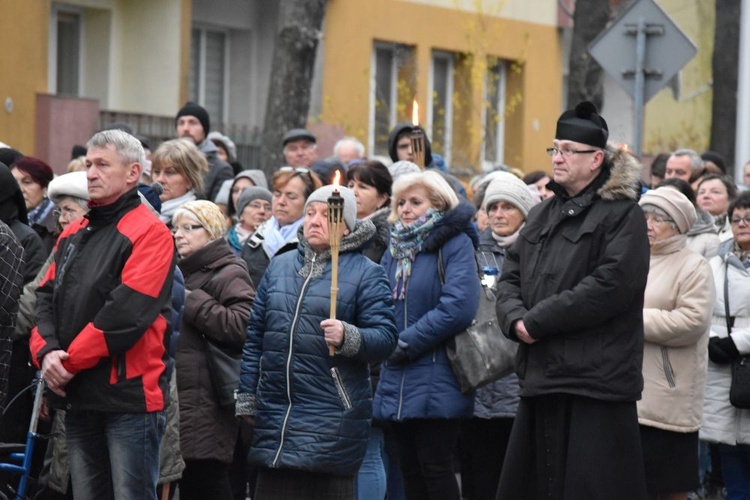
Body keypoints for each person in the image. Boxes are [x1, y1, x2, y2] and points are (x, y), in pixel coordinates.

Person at [495, 101, 650, 499]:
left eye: (567, 150)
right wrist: (515, 320)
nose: (557, 158)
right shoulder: (542, 213)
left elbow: (611, 285)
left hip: (593, 381)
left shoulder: (622, 214)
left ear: (597, 158)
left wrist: (538, 321)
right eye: (554, 148)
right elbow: (509, 275)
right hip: (542, 375)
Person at [29, 129, 176, 500]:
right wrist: (46, 354)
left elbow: (126, 315)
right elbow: (43, 298)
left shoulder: (151, 233)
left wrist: (66, 364)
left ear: (132, 173)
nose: (90, 173)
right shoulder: (74, 232)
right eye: (89, 164)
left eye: (102, 165)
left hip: (127, 398)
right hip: (78, 392)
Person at [235, 184, 398, 499]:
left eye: (327, 214)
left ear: (347, 225)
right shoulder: (280, 266)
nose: (314, 220)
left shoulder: (367, 273)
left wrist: (349, 336)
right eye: (310, 213)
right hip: (277, 415)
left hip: (331, 414)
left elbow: (386, 338)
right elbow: (255, 335)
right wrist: (248, 394)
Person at [373, 170, 480, 500]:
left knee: (435, 467)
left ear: (439, 203)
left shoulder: (454, 243)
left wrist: (405, 342)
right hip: (397, 374)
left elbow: (458, 307)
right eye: (401, 202)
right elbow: (379, 300)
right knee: (408, 468)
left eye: (415, 202)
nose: (405, 209)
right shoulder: (395, 248)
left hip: (438, 371)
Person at [172, 200, 255, 500]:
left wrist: (192, 300)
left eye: (188, 228)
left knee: (206, 477)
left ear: (210, 233)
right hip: (182, 393)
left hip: (207, 397)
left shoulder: (229, 270)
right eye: (175, 228)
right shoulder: (180, 271)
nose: (178, 234)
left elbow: (242, 326)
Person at [637, 187, 714, 499]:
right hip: (626, 389)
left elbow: (692, 322)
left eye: (659, 219)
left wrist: (632, 320)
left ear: (679, 226)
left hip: (667, 395)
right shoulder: (630, 258)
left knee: (668, 487)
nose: (649, 224)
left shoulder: (693, 266)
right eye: (644, 216)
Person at [462, 172, 533, 500]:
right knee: (477, 474)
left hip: (519, 381)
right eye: (493, 207)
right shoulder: (473, 254)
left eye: (508, 207)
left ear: (524, 212)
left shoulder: (537, 254)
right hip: (477, 380)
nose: (499, 214)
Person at [701, 190, 750, 500]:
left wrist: (738, 342)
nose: (742, 223)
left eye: (749, 218)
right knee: (728, 454)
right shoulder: (713, 261)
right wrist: (709, 340)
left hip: (739, 354)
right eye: (737, 218)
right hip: (720, 369)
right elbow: (697, 305)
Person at [241, 167, 322, 287]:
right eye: (277, 194)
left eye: (291, 196)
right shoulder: (255, 239)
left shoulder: (316, 243)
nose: (281, 202)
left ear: (308, 202)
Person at [175, 102, 234, 201]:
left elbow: (218, 211)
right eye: (181, 123)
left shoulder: (221, 169)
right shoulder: (164, 161)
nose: (185, 128)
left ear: (204, 129)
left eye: (192, 122)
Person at [657, 178, 721, 259]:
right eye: (661, 200)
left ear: (689, 203)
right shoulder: (648, 236)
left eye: (673, 200)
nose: (666, 205)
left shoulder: (709, 241)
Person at [151, 138, 209, 227]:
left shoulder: (198, 221)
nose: (160, 179)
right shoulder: (141, 208)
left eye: (169, 172)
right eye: (156, 172)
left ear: (190, 180)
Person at [346, 160, 392, 263]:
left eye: (363, 187)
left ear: (382, 199)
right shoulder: (339, 226)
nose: (353, 192)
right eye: (351, 185)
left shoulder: (381, 236)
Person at [11, 157, 57, 253]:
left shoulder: (57, 225)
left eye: (27, 182)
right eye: (14, 182)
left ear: (45, 189)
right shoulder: (8, 220)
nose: (19, 189)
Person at [226, 187, 273, 255]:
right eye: (256, 206)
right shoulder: (225, 243)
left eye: (268, 208)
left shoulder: (276, 244)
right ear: (241, 213)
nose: (262, 211)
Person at [697, 174, 737, 242]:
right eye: (701, 192)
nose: (706, 196)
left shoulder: (738, 228)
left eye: (715, 192)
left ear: (730, 198)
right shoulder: (688, 228)